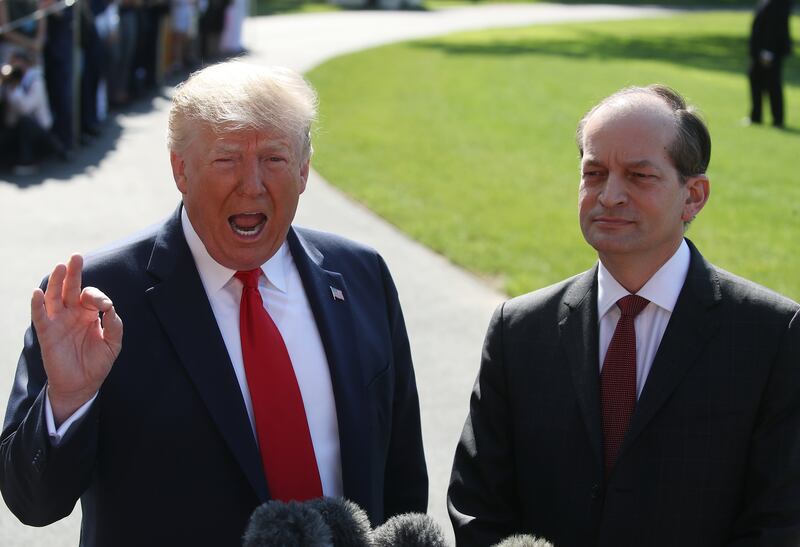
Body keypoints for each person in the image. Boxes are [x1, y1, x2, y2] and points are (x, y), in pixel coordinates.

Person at [0, 61, 428, 546]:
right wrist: (67, 401)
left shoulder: (361, 276)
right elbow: (33, 502)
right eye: (227, 159)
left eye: (274, 159)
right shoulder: (94, 301)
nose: (252, 184)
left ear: (304, 169)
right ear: (180, 169)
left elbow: (402, 487)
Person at [448, 85, 800, 547]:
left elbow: (781, 522)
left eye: (638, 176)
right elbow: (478, 506)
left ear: (693, 196)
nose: (610, 195)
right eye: (594, 173)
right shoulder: (518, 331)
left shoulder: (772, 335)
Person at [748, 0, 792, 127]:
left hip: (768, 53)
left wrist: (768, 52)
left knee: (773, 85)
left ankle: (777, 119)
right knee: (756, 81)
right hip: (760, 52)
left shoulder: (778, 3)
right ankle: (756, 117)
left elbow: (775, 28)